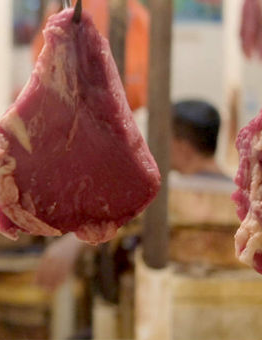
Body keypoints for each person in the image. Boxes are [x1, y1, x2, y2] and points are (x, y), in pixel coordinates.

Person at [35, 98, 227, 290]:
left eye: (164, 139)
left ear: (182, 147)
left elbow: (124, 216)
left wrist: (71, 244)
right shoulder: (238, 193)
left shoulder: (176, 192)